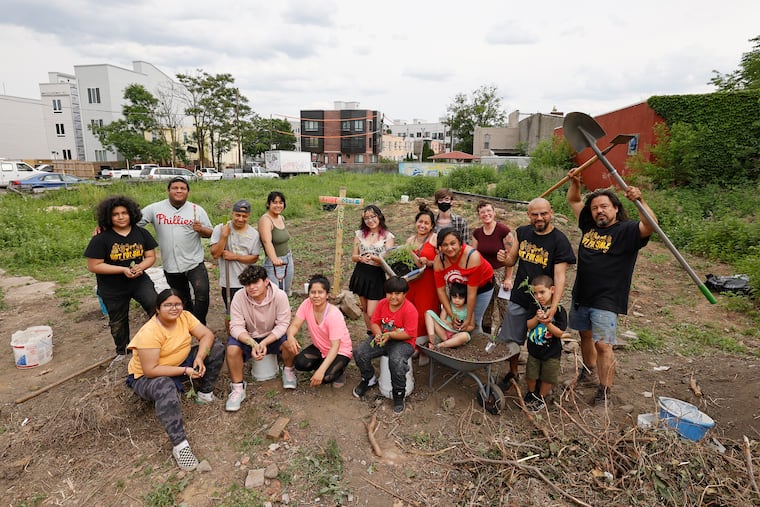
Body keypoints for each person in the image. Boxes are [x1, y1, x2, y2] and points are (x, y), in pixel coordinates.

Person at [567, 175, 656, 405]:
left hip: (607, 298)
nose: (599, 211)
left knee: (603, 345)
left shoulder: (627, 231)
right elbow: (575, 201)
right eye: (595, 208)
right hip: (581, 294)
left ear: (616, 209)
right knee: (584, 335)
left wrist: (641, 201)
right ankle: (588, 371)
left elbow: (650, 226)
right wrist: (575, 183)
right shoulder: (588, 225)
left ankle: (604, 391)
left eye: (604, 206)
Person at [125, 289, 225, 471]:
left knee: (216, 348)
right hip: (148, 376)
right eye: (167, 305)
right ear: (157, 308)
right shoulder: (150, 332)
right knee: (165, 385)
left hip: (180, 363)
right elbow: (150, 370)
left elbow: (207, 335)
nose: (174, 308)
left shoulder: (185, 317)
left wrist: (200, 357)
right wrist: (186, 370)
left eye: (177, 304)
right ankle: (180, 445)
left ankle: (205, 393)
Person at [495, 197, 576, 392]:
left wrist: (553, 307)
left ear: (551, 213)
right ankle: (513, 372)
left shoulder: (559, 241)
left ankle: (540, 382)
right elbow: (511, 260)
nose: (539, 217)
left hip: (543, 301)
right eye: (534, 214)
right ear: (528, 215)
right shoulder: (522, 233)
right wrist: (503, 259)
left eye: (543, 213)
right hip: (520, 296)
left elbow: (560, 277)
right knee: (512, 338)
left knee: (542, 341)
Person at [85, 195, 159, 360]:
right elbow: (94, 265)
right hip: (112, 287)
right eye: (115, 214)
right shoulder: (101, 238)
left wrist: (141, 267)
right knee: (118, 320)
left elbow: (151, 257)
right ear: (108, 217)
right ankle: (122, 351)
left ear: (131, 213)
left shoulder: (141, 233)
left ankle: (158, 341)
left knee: (155, 305)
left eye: (124, 212)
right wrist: (122, 269)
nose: (121, 217)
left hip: (139, 281)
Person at [138, 177, 213, 324]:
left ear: (188, 192)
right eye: (175, 188)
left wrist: (201, 229)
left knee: (202, 293)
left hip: (194, 262)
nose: (179, 191)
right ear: (168, 190)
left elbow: (211, 233)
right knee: (182, 298)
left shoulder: (196, 210)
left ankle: (200, 324)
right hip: (171, 264)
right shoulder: (155, 209)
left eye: (182, 188)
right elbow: (134, 222)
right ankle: (189, 324)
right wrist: (106, 227)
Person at [225, 265, 294, 412]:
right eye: (248, 284)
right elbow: (235, 326)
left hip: (272, 334)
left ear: (266, 281)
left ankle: (288, 369)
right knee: (231, 350)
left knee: (290, 344)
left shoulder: (280, 296)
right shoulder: (239, 297)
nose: (251, 287)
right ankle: (238, 388)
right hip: (248, 335)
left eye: (256, 282)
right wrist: (251, 343)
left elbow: (283, 324)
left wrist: (264, 342)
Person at [352, 276, 419, 414]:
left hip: (403, 343)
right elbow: (375, 322)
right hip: (383, 338)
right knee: (360, 352)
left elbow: (409, 334)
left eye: (397, 293)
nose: (393, 297)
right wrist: (377, 334)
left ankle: (399, 393)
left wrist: (389, 335)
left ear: (404, 294)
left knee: (396, 362)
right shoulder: (382, 304)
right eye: (390, 293)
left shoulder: (410, 310)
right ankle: (368, 378)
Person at [284, 274, 353, 388]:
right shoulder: (307, 304)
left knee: (326, 377)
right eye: (313, 292)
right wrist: (290, 336)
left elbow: (335, 347)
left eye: (320, 292)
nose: (316, 296)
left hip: (340, 350)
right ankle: (327, 365)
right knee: (300, 363)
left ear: (327, 295)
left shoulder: (333, 315)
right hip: (320, 347)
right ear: (309, 293)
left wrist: (321, 371)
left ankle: (339, 370)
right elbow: (295, 325)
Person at [433, 227, 494, 334]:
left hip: (481, 287)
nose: (449, 248)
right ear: (440, 247)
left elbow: (471, 294)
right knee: (456, 319)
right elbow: (441, 291)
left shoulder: (472, 257)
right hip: (459, 288)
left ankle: (477, 345)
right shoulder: (439, 261)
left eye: (453, 243)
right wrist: (451, 314)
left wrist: (468, 318)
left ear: (460, 243)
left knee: (473, 322)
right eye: (445, 245)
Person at [523, 275, 568, 413]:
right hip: (534, 350)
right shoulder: (534, 306)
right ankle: (531, 393)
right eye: (535, 293)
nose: (539, 296)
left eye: (542, 292)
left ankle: (541, 397)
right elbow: (528, 325)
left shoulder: (559, 310)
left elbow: (560, 333)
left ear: (552, 289)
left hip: (552, 352)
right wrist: (537, 318)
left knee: (548, 377)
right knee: (531, 374)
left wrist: (547, 323)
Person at [348, 205, 395, 335]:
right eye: (367, 218)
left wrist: (374, 258)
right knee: (364, 308)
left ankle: (379, 334)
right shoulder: (359, 234)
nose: (370, 220)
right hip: (361, 273)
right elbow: (353, 256)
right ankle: (371, 334)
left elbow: (388, 261)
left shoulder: (388, 237)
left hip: (376, 275)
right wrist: (360, 258)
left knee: (372, 312)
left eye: (373, 216)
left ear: (379, 216)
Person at [209, 199, 260, 317]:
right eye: (237, 215)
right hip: (229, 282)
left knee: (249, 312)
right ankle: (232, 334)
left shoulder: (254, 234)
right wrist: (224, 236)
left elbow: (254, 258)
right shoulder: (220, 228)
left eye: (244, 216)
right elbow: (215, 254)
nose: (240, 219)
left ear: (249, 216)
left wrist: (235, 257)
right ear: (232, 213)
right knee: (231, 314)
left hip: (248, 281)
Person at [471, 201, 514, 335]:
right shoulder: (477, 233)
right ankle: (485, 334)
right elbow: (474, 254)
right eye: (482, 212)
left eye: (489, 211)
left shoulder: (503, 231)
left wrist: (508, 278)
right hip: (484, 274)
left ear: (494, 213)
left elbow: (510, 257)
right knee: (485, 306)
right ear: (479, 215)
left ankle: (506, 334)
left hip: (500, 272)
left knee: (503, 305)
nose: (486, 214)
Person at [404, 203, 439, 339]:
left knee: (426, 312)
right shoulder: (410, 240)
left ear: (431, 226)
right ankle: (412, 342)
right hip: (412, 282)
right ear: (416, 223)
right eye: (420, 222)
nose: (422, 225)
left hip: (428, 282)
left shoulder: (434, 238)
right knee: (411, 312)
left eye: (426, 223)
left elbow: (444, 261)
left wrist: (430, 262)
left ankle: (425, 344)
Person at [258, 191, 294, 295]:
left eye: (281, 203)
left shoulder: (281, 218)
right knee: (275, 294)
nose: (278, 205)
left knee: (286, 292)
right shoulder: (266, 220)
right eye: (275, 202)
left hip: (287, 258)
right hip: (274, 262)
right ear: (268, 204)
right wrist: (274, 259)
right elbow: (266, 241)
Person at [424, 282, 471, 349]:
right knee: (428, 313)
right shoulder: (449, 305)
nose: (457, 300)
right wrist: (450, 323)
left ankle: (439, 346)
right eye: (454, 297)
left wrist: (461, 327)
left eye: (460, 298)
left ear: (465, 298)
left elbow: (472, 326)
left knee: (465, 336)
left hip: (455, 334)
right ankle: (432, 339)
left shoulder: (468, 308)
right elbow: (442, 319)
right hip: (444, 331)